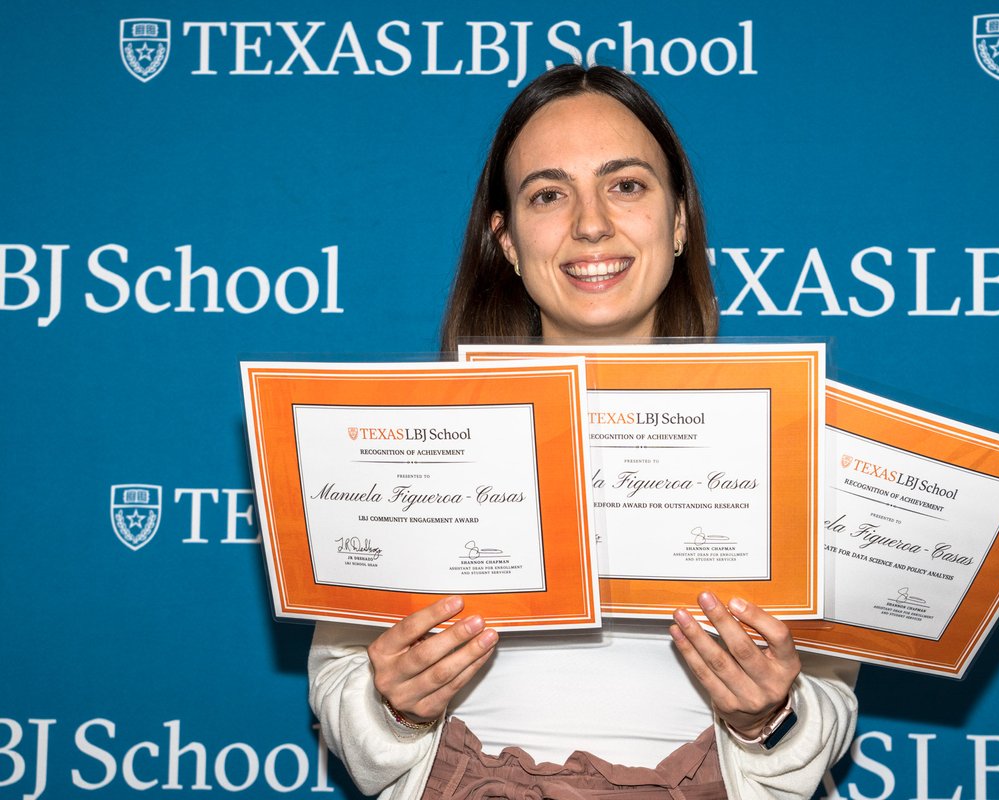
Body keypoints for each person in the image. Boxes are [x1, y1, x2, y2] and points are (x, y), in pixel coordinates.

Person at [309, 64, 858, 800]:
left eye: (626, 185)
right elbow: (344, 689)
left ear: (679, 221)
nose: (591, 222)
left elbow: (828, 699)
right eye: (548, 194)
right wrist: (394, 709)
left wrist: (769, 722)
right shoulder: (413, 438)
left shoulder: (787, 443)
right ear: (505, 240)